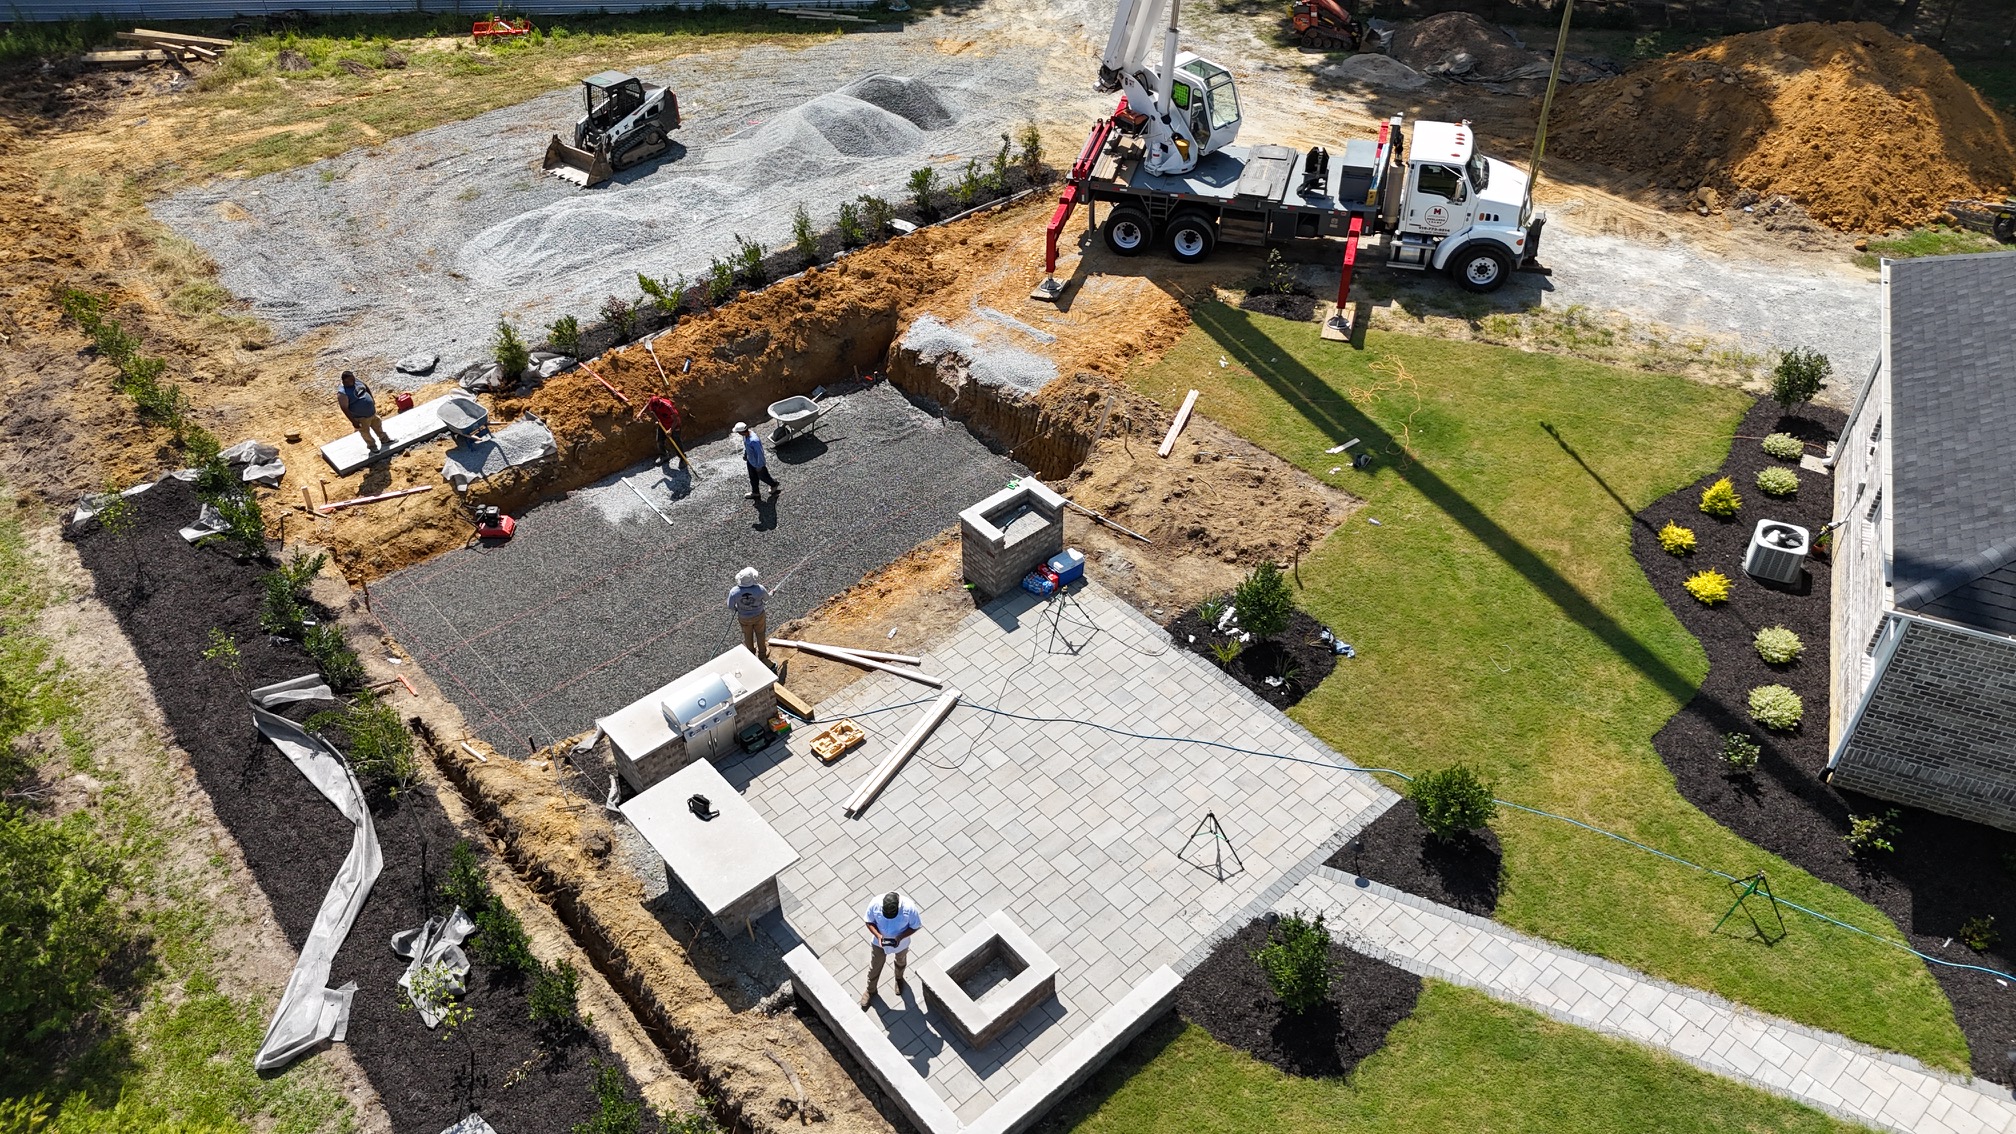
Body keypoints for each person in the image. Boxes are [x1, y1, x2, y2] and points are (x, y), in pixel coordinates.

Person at [860, 890, 921, 1009]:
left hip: (901, 944)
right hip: (879, 943)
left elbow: (915, 926)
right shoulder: (875, 903)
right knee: (875, 966)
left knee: (901, 961)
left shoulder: (910, 908)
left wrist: (900, 937)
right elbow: (868, 921)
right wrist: (878, 935)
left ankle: (899, 978)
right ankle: (870, 990)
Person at [338, 370, 392, 451]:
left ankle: (385, 440)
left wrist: (371, 399)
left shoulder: (356, 381)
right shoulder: (342, 393)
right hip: (361, 417)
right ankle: (372, 446)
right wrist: (354, 422)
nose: (354, 380)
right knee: (365, 433)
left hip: (372, 413)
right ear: (345, 381)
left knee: (378, 427)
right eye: (351, 379)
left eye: (353, 378)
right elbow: (344, 408)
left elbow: (365, 387)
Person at [728, 567, 770, 661]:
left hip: (744, 618)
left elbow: (730, 606)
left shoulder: (734, 591)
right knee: (760, 633)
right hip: (759, 616)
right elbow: (767, 599)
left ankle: (751, 653)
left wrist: (737, 609)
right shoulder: (760, 589)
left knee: (747, 635)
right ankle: (762, 654)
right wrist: (771, 593)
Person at [734, 421, 779, 502]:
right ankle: (755, 492)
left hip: (758, 463)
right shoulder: (745, 436)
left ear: (741, 432)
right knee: (753, 477)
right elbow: (746, 446)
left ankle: (774, 484)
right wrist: (745, 455)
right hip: (750, 461)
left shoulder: (754, 441)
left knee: (764, 477)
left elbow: (760, 454)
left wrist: (759, 466)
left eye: (738, 432)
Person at [643, 395, 687, 468]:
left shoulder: (668, 406)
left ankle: (682, 458)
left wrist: (670, 430)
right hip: (662, 424)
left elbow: (676, 420)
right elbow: (648, 404)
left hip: (674, 426)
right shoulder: (653, 402)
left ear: (659, 404)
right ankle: (664, 456)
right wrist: (640, 413)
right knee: (659, 441)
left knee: (676, 442)